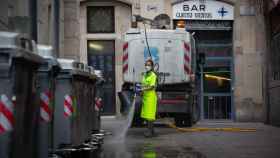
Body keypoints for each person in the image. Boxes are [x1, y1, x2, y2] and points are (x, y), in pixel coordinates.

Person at [140, 59, 157, 137]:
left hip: (151, 97)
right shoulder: (145, 75)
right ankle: (152, 131)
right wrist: (140, 90)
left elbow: (152, 86)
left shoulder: (153, 75)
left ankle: (149, 132)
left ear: (152, 66)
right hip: (145, 97)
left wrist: (143, 89)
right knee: (147, 115)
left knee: (150, 116)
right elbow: (143, 84)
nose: (147, 66)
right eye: (146, 65)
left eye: (149, 65)